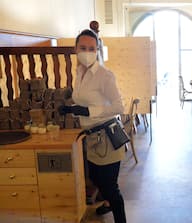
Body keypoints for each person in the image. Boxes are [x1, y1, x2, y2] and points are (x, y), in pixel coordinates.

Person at [59, 29, 126, 222]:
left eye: (92, 48)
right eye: (83, 48)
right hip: (91, 137)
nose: (87, 52)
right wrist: (71, 108)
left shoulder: (105, 75)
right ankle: (107, 204)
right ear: (75, 49)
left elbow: (118, 107)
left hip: (107, 137)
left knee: (110, 188)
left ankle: (120, 217)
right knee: (96, 180)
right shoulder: (79, 72)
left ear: (97, 50)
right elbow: (86, 100)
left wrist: (88, 111)